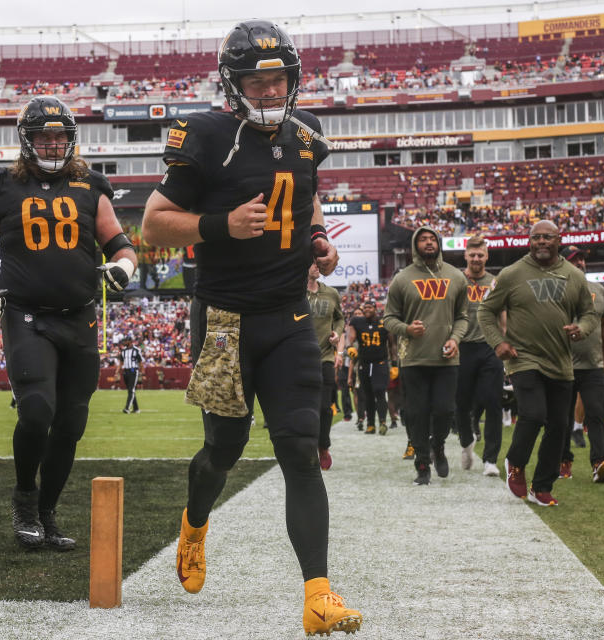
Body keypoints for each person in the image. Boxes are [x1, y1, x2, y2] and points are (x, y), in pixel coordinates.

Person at [141, 20, 361, 636]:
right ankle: (194, 523)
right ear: (232, 84)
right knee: (224, 450)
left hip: (290, 315)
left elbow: (308, 194)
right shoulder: (208, 135)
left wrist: (318, 238)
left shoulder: (307, 131)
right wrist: (220, 224)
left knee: (299, 451)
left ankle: (317, 595)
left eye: (278, 79)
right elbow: (153, 225)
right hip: (225, 321)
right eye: (256, 80)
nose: (269, 91)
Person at [0, 95, 137, 549]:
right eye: (45, 136)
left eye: (60, 136)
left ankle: (47, 512)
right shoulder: (0, 187)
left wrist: (121, 270)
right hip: (27, 316)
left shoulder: (92, 187)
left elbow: (123, 247)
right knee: (37, 412)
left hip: (79, 319)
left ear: (71, 139)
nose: (54, 144)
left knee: (72, 424)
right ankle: (24, 499)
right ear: (27, 140)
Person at [478, 220, 598, 506]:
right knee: (533, 413)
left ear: (559, 239)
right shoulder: (511, 274)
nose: (541, 242)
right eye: (536, 237)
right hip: (523, 358)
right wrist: (499, 342)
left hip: (560, 361)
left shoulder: (574, 275)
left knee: (559, 426)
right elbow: (486, 311)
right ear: (529, 241)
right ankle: (516, 463)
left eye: (548, 237)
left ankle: (542, 486)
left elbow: (590, 315)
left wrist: (581, 328)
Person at [383, 226, 468, 485]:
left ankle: (438, 446)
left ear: (439, 244)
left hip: (446, 359)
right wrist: (406, 329)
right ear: (414, 245)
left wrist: (455, 338)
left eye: (432, 239)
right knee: (416, 413)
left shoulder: (456, 277)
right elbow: (389, 318)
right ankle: (422, 461)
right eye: (423, 239)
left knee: (444, 410)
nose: (428, 243)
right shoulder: (402, 278)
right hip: (414, 358)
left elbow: (462, 317)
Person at [557, 245, 604, 483]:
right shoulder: (555, 288)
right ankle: (563, 461)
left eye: (581, 259)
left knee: (596, 414)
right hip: (563, 364)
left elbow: (603, 326)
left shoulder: (599, 289)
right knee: (561, 418)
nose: (580, 263)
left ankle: (599, 462)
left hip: (593, 365)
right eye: (574, 259)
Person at [455, 235, 505, 477]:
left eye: (480, 255)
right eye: (472, 255)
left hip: (489, 346)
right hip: (463, 346)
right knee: (461, 404)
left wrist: (504, 342)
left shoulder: (495, 282)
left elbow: (502, 314)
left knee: (494, 401)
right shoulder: (456, 280)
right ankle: (467, 440)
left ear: (487, 256)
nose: (476, 259)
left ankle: (491, 459)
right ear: (465, 256)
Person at [307, 262, 345, 470]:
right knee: (303, 408)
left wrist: (337, 334)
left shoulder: (331, 293)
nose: (316, 266)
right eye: (312, 263)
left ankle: (323, 446)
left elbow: (340, 319)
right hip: (298, 360)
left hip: (325, 358)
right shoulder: (292, 294)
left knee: (324, 407)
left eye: (317, 263)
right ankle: (307, 447)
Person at [345, 299, 391, 435]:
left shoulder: (384, 323)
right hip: (364, 363)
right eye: (365, 308)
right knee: (368, 394)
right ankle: (370, 424)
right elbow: (350, 337)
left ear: (375, 308)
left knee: (380, 390)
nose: (367, 310)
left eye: (369, 307)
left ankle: (382, 422)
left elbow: (393, 344)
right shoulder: (357, 322)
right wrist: (349, 347)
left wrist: (394, 364)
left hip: (380, 362)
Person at [118, 337, 142, 414]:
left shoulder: (136, 350)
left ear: (130, 341)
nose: (124, 342)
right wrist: (117, 371)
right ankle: (136, 408)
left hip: (133, 371)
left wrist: (142, 372)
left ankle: (127, 408)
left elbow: (140, 362)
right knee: (130, 390)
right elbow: (121, 362)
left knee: (131, 390)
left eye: (125, 341)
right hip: (126, 372)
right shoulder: (123, 351)